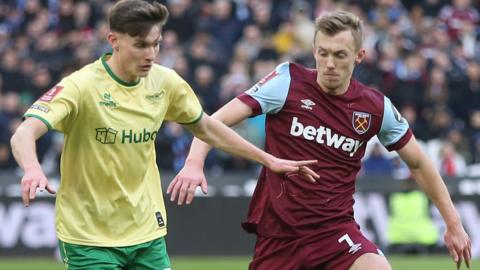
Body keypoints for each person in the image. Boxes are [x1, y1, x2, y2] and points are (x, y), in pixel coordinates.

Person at [9, 1, 319, 269]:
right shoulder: (81, 86)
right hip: (88, 236)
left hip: (146, 231)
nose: (151, 54)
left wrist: (268, 160)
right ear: (113, 40)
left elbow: (208, 128)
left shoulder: (165, 82)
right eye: (141, 44)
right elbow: (24, 132)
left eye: (156, 44)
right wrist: (32, 168)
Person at [168, 11, 472, 270]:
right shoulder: (287, 81)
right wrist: (195, 162)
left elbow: (419, 163)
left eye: (339, 55)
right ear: (314, 50)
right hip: (279, 237)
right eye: (322, 53)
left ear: (359, 56)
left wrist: (453, 223)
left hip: (334, 233)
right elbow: (212, 122)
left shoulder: (375, 108)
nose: (329, 63)